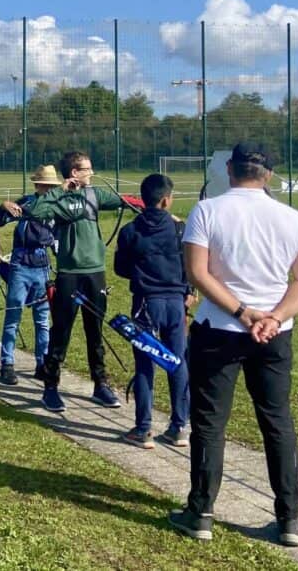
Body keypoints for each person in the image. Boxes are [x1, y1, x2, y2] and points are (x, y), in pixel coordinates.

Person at [168, 143, 298, 547]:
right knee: (277, 423)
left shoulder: (208, 210)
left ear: (231, 169)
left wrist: (241, 312)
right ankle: (289, 519)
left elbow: (197, 273)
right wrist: (272, 317)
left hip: (218, 330)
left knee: (209, 424)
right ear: (268, 174)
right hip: (274, 335)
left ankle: (200, 513)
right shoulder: (292, 218)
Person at [22, 151, 125, 412]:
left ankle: (100, 384)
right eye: (86, 169)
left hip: (95, 272)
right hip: (69, 274)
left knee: (95, 330)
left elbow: (127, 202)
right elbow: (35, 211)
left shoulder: (94, 194)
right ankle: (51, 387)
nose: (91, 172)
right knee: (61, 331)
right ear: (74, 173)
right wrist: (60, 190)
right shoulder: (58, 199)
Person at [114, 174, 194, 449]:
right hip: (176, 303)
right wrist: (189, 292)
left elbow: (120, 268)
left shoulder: (130, 231)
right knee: (178, 361)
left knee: (145, 363)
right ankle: (179, 426)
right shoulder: (180, 230)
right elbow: (190, 265)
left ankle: (144, 428)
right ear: (166, 200)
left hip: (146, 303)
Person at [0, 165, 59, 386]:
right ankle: (7, 364)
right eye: (46, 186)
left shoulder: (56, 207)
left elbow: (58, 239)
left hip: (42, 267)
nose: (49, 190)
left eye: (53, 187)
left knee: (42, 319)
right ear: (38, 185)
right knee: (13, 316)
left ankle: (42, 363)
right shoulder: (25, 203)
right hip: (21, 265)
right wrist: (3, 207)